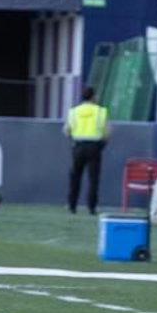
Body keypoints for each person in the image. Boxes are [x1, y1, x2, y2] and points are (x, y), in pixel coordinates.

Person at [63, 85, 109, 215]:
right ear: (93, 97)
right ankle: (91, 208)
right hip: (95, 147)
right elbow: (107, 132)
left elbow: (66, 130)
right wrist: (102, 144)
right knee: (93, 178)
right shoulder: (100, 111)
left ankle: (72, 206)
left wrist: (73, 139)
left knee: (75, 177)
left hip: (78, 146)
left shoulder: (74, 111)